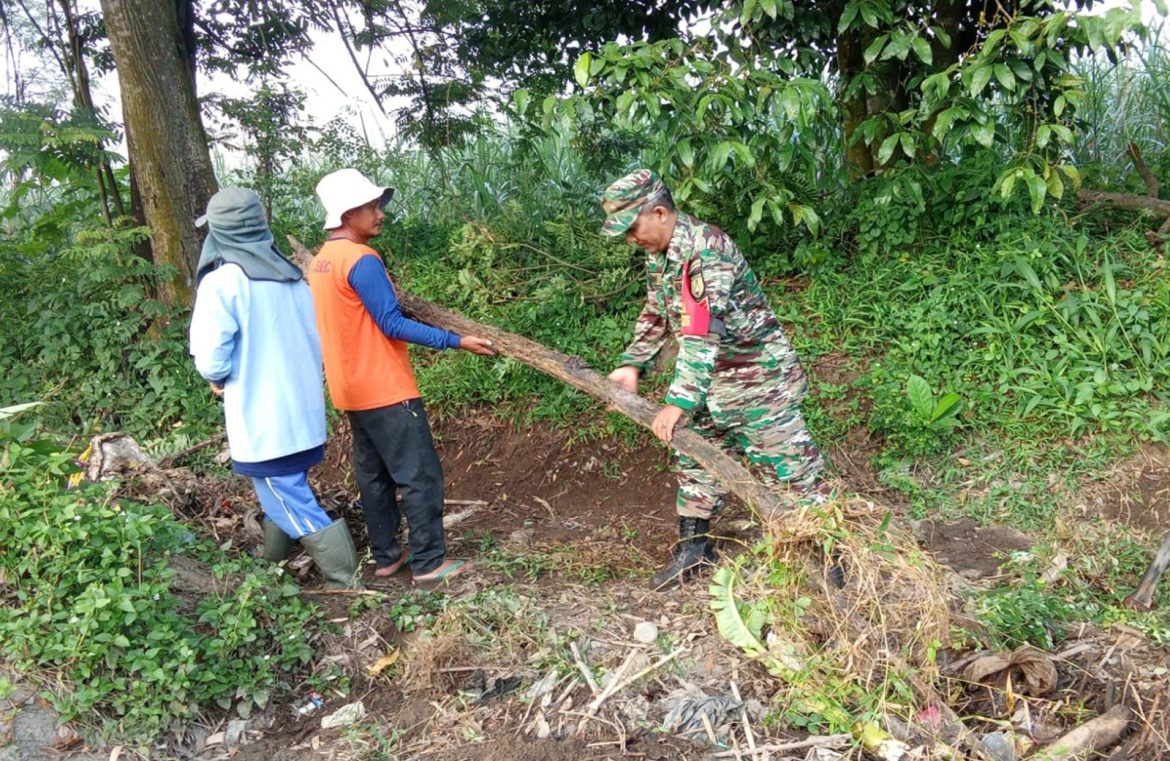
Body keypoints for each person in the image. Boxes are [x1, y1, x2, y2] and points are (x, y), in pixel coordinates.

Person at [600, 169, 825, 591]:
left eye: (632, 228)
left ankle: (831, 558)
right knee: (696, 461)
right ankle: (695, 550)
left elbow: (701, 333)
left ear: (660, 212)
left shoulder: (706, 252)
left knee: (792, 472)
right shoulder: (661, 254)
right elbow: (656, 313)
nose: (632, 240)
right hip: (711, 381)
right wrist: (633, 363)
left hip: (758, 382)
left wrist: (680, 401)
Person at [308, 168, 496, 585]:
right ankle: (429, 562)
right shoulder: (361, 260)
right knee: (419, 475)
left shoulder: (321, 262)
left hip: (349, 389)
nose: (380, 214)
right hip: (385, 387)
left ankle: (386, 557)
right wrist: (456, 340)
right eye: (371, 207)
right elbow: (391, 323)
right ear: (347, 214)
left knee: (373, 478)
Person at [189, 187, 361, 589]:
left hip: (263, 417)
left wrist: (217, 378)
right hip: (301, 413)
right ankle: (273, 561)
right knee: (284, 488)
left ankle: (345, 578)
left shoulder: (223, 282)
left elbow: (211, 357)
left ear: (221, 232)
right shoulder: (292, 277)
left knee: (282, 493)